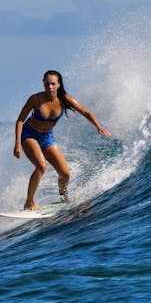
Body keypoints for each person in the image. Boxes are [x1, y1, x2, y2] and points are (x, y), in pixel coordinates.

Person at [14, 70, 110, 211]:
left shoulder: (65, 99)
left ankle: (63, 196)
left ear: (59, 84)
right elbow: (20, 120)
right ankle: (29, 203)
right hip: (29, 134)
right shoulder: (35, 99)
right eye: (47, 84)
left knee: (65, 174)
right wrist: (17, 143)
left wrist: (98, 127)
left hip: (46, 137)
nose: (50, 87)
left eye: (53, 84)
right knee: (41, 166)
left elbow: (85, 112)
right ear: (43, 84)